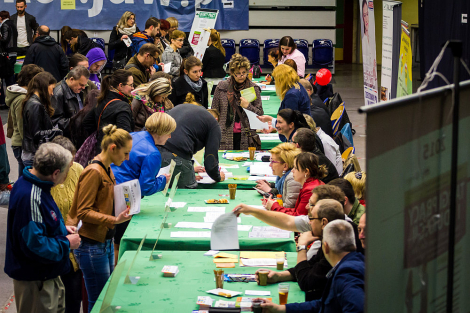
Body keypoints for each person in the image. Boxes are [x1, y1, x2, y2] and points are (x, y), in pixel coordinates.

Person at [5, 142, 79, 313]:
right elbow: (35, 244)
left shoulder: (35, 185)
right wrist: (66, 243)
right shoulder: (30, 195)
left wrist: (61, 231)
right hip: (36, 281)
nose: (67, 176)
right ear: (55, 173)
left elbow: (41, 225)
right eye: (66, 172)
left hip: (47, 276)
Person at [66, 125, 133, 313]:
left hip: (104, 242)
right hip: (91, 245)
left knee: (106, 297)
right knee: (98, 302)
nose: (127, 158)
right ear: (113, 148)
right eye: (125, 153)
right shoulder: (94, 172)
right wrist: (113, 220)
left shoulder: (107, 168)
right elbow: (83, 212)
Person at [260, 220, 365, 313]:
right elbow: (323, 304)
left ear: (326, 247)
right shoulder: (351, 262)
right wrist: (281, 309)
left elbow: (357, 308)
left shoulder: (347, 275)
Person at [111, 112, 175, 262]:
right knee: (119, 242)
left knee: (112, 240)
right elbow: (145, 187)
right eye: (170, 133)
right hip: (123, 195)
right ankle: (114, 276)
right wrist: (162, 181)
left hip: (109, 184)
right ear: (162, 132)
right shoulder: (153, 153)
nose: (170, 137)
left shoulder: (132, 135)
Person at [50, 136, 84, 313]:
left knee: (73, 297)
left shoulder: (78, 169)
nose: (72, 163)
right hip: (55, 249)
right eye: (69, 160)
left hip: (76, 247)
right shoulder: (47, 179)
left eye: (74, 158)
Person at [159, 103, 225, 188]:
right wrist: (218, 177)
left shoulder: (188, 110)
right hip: (177, 154)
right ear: (216, 119)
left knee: (161, 190)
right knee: (186, 191)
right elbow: (210, 161)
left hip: (156, 148)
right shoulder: (213, 125)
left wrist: (190, 172)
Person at [211, 54, 263, 149]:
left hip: (246, 135)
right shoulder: (222, 87)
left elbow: (260, 115)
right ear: (232, 72)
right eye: (238, 73)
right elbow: (214, 111)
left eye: (244, 72)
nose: (241, 76)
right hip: (225, 135)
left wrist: (248, 106)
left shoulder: (253, 88)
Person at [82, 70, 135, 154]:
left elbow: (86, 122)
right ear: (120, 86)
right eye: (131, 85)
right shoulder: (123, 106)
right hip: (116, 154)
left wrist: (101, 135)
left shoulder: (102, 99)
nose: (133, 88)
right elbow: (125, 135)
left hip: (101, 150)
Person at [5, 64, 42, 177]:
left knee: (24, 174)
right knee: (25, 176)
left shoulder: (20, 96)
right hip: (22, 144)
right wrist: (31, 146)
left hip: (20, 143)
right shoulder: (22, 99)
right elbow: (22, 126)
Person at [264, 152, 325, 216]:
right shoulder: (309, 184)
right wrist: (274, 205)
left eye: (295, 168)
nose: (292, 170)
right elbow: (296, 210)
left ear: (306, 172)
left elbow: (298, 217)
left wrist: (274, 207)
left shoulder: (309, 190)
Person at [22, 71, 61, 167]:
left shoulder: (33, 102)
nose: (52, 93)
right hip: (34, 154)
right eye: (52, 89)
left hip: (32, 152)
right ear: (45, 86)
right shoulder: (35, 105)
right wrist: (55, 132)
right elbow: (36, 134)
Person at [255, 143, 302, 208]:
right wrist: (270, 186)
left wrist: (270, 191)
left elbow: (289, 207)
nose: (270, 165)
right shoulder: (284, 176)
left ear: (285, 166)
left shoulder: (292, 179)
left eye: (273, 162)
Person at [51, 65, 90, 137]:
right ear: (71, 79)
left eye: (85, 85)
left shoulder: (78, 91)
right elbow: (55, 122)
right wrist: (78, 121)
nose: (83, 88)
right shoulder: (58, 94)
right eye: (81, 84)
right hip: (65, 139)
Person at [0, 11, 18, 90]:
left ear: (0, 17)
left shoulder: (5, 25)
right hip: (14, 51)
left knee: (8, 76)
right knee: (11, 73)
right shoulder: (13, 24)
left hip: (7, 52)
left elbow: (5, 39)